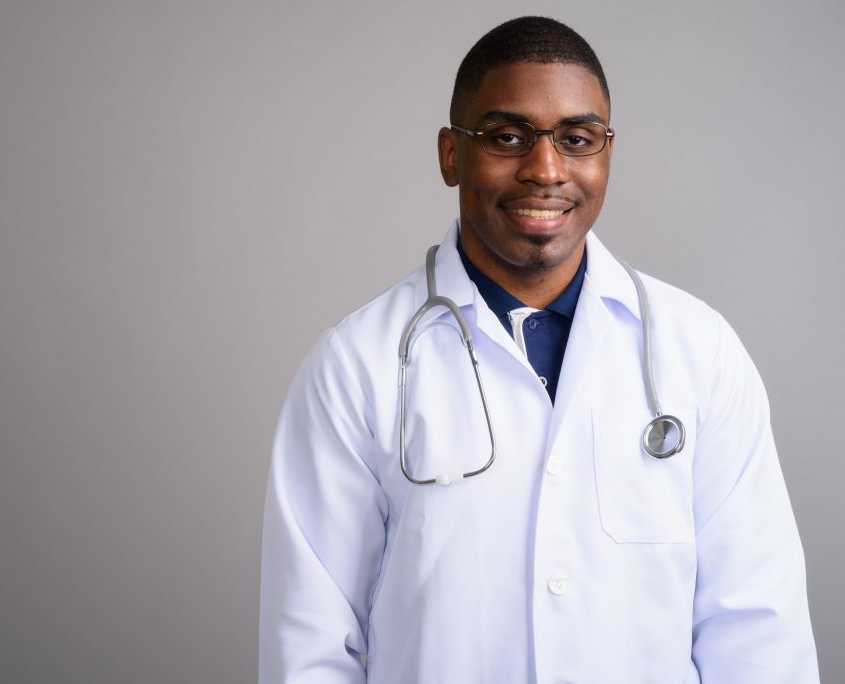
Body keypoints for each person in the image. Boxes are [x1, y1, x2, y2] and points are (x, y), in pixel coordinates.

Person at [259, 16, 818, 683]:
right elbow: (311, 649)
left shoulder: (700, 353)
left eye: (577, 139)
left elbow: (758, 631)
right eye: (507, 137)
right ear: (450, 154)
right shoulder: (357, 366)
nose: (546, 169)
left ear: (607, 153)